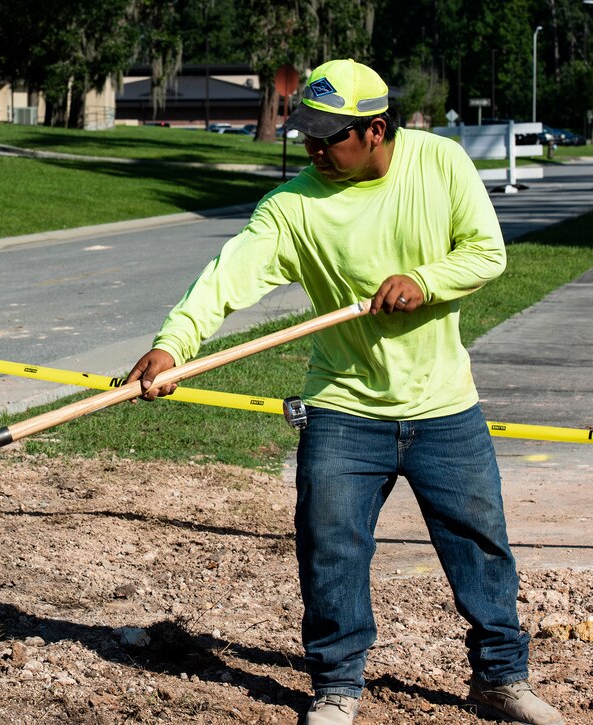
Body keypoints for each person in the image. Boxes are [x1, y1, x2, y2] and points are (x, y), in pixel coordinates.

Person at [124, 59, 565, 725]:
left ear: (375, 129)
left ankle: (501, 678)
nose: (311, 149)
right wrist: (172, 345)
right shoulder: (294, 206)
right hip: (343, 408)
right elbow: (224, 279)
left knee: (481, 546)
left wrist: (424, 279)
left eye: (326, 138)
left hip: (444, 405)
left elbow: (486, 251)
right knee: (330, 545)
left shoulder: (440, 165)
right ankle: (336, 684)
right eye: (306, 135)